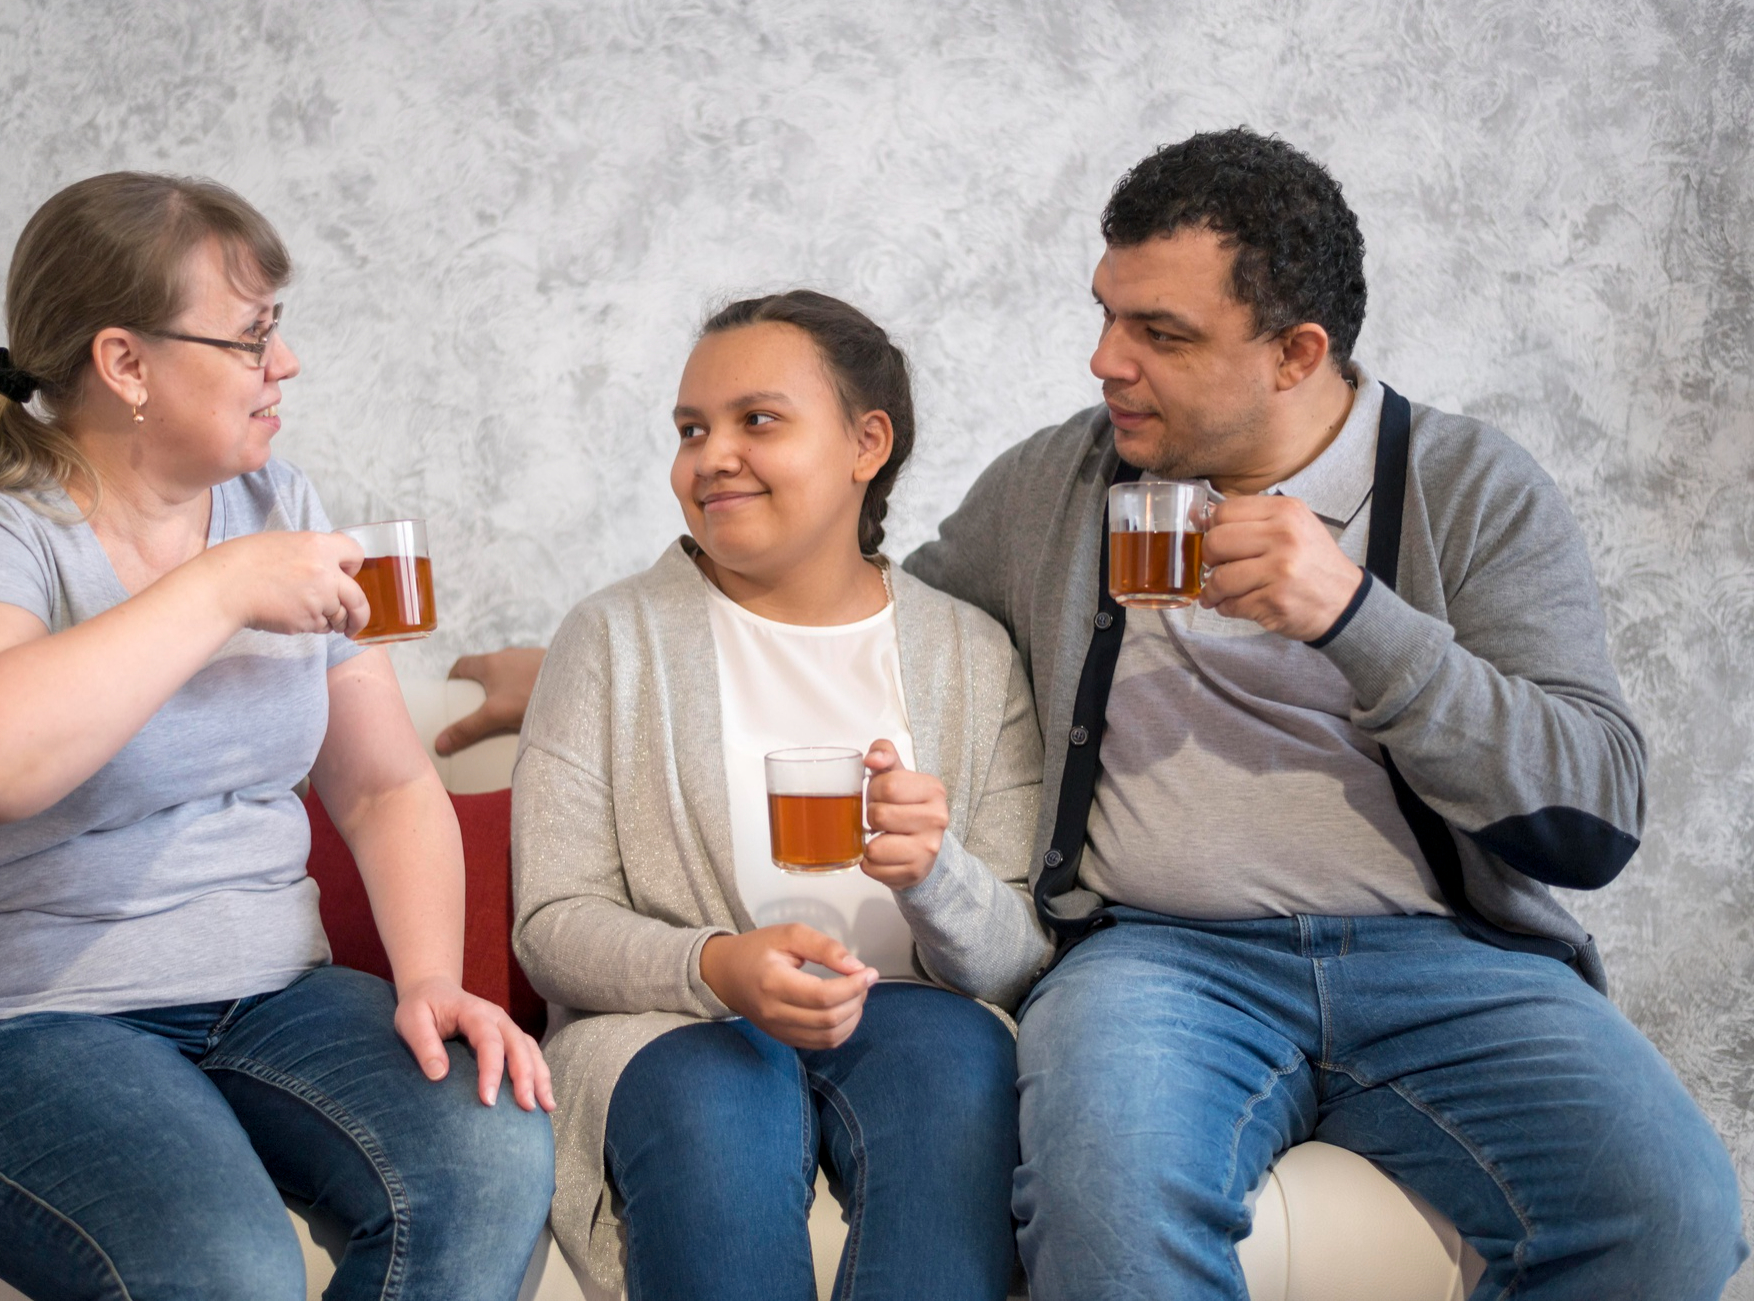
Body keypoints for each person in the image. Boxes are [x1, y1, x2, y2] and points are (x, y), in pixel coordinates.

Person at [444, 131, 1747, 1299]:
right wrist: (570, 662)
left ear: (1296, 352)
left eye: (1161, 333)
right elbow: (863, 612)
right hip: (1161, 960)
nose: (1105, 360)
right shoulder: (1065, 480)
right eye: (1107, 314)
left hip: (1446, 960)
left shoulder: (1466, 486)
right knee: (1103, 1203)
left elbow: (1594, 806)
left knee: (1674, 1214)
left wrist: (1359, 614)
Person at [0, 171, 554, 1301]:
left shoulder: (281, 507)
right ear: (125, 363)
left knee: (489, 1150)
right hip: (0, 1019)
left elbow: (381, 782)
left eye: (279, 329)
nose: (288, 362)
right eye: (252, 334)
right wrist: (216, 590)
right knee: (224, 1266)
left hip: (266, 994)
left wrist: (428, 977)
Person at [510, 291, 1048, 1300]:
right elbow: (550, 923)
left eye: (757, 419)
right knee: (713, 1100)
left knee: (958, 1063)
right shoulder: (610, 638)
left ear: (864, 443)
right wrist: (717, 964)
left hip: (912, 1015)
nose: (710, 454)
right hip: (674, 1024)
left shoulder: (970, 653)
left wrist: (938, 876)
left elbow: (1016, 954)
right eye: (689, 429)